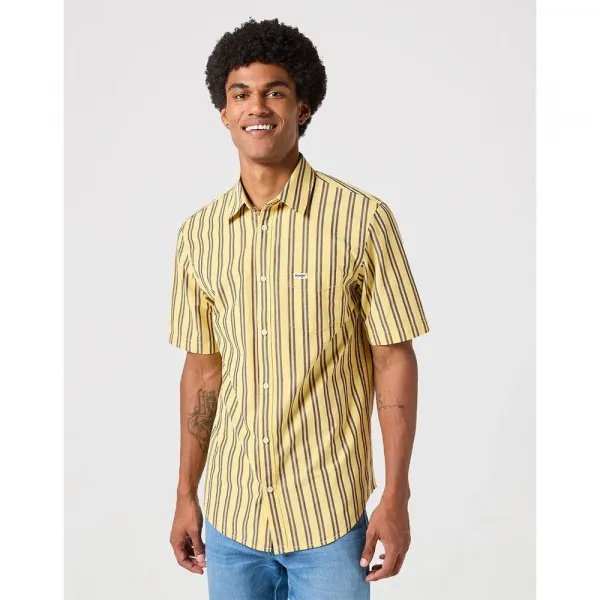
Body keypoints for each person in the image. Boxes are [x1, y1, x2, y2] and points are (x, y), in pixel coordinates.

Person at [168, 17, 430, 600]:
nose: (256, 107)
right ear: (224, 112)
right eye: (241, 94)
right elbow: (203, 370)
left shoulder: (361, 220)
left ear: (303, 107)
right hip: (231, 519)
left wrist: (396, 495)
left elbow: (393, 359)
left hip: (329, 520)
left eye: (275, 92)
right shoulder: (198, 236)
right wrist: (186, 493)